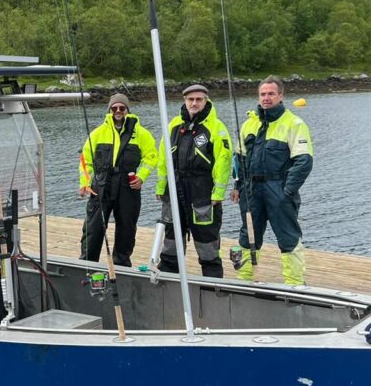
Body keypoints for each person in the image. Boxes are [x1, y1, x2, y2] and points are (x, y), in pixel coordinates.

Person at [230, 75, 313, 285]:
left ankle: (294, 284)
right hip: (251, 190)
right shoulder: (249, 124)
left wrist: (288, 191)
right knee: (247, 235)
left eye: (271, 94)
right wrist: (238, 186)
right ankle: (244, 280)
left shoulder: (294, 123)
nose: (266, 98)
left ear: (280, 95)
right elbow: (239, 160)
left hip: (279, 187)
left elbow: (303, 161)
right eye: (263, 94)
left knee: (288, 237)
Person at [155, 84, 233, 277]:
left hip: (202, 191)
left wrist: (218, 193)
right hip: (174, 190)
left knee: (206, 240)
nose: (194, 103)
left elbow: (224, 160)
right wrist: (161, 186)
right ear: (184, 101)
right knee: (172, 237)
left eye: (199, 99)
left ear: (206, 101)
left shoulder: (216, 127)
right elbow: (163, 159)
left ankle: (213, 279)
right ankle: (168, 275)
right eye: (191, 99)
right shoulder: (173, 125)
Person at [78, 93, 158, 266]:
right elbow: (85, 160)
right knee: (93, 228)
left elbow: (151, 157)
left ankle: (121, 263)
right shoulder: (98, 133)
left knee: (127, 228)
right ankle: (87, 264)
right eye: (114, 108)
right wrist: (84, 182)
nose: (118, 111)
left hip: (128, 186)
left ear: (128, 110)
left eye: (122, 108)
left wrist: (142, 176)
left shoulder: (142, 134)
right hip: (101, 184)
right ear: (109, 110)